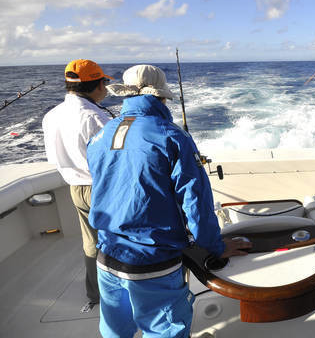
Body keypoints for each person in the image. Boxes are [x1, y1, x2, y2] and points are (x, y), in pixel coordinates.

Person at [87, 65, 251, 338]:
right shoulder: (172, 136)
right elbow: (196, 204)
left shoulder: (100, 136)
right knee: (165, 331)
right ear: (161, 97)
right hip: (153, 263)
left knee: (115, 332)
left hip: (107, 256)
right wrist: (215, 247)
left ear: (126, 96)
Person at [42, 59, 114, 310]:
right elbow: (114, 160)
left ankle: (96, 296)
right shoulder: (95, 117)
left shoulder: (51, 116)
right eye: (103, 81)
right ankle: (122, 295)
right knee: (119, 242)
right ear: (95, 85)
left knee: (91, 243)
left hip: (75, 189)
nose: (106, 87)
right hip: (101, 190)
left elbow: (53, 157)